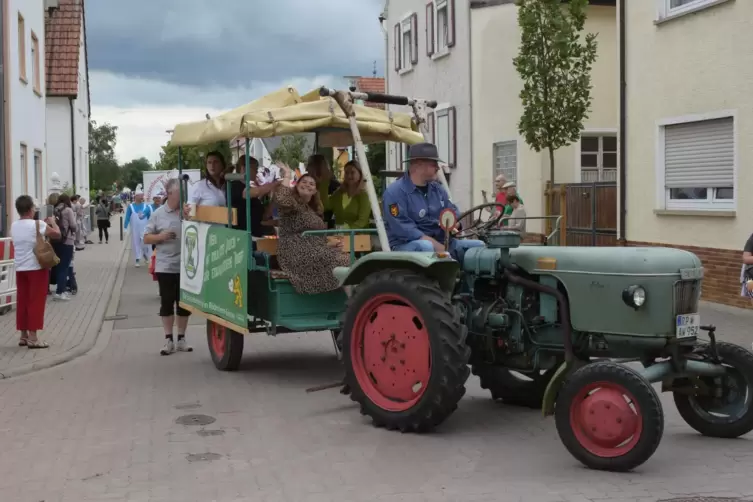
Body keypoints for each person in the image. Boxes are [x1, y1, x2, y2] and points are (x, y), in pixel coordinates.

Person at [382, 142, 484, 263]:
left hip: (443, 243)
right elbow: (406, 230)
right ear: (419, 165)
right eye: (433, 164)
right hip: (406, 246)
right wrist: (440, 248)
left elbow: (453, 211)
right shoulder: (395, 193)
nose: (437, 167)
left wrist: (455, 224)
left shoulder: (438, 189)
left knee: (479, 247)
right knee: (425, 246)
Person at [273, 164, 350, 294]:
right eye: (303, 182)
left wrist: (330, 244)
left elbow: (316, 236)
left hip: (314, 250)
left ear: (315, 191)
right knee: (343, 261)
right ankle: (354, 302)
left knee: (350, 259)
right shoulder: (292, 204)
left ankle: (354, 301)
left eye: (311, 184)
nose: (307, 185)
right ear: (296, 186)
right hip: (295, 251)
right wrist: (287, 175)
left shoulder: (310, 210)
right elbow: (281, 198)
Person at [143, 178, 192, 356]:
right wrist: (161, 237)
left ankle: (181, 338)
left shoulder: (186, 211)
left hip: (185, 265)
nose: (182, 197)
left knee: (184, 304)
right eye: (180, 193)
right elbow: (146, 237)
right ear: (170, 193)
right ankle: (168, 339)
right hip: (165, 265)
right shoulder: (158, 214)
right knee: (167, 302)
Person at [11, 195, 61, 348]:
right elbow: (57, 235)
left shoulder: (13, 225)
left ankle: (23, 335)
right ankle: (33, 337)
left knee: (23, 301)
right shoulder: (37, 224)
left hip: (20, 268)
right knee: (36, 302)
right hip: (36, 268)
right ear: (31, 209)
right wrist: (53, 222)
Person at [230, 155, 278, 235]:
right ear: (244, 168)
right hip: (244, 235)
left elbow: (265, 215)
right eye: (255, 168)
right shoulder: (235, 186)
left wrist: (275, 198)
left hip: (255, 232)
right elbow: (256, 192)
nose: (256, 172)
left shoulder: (247, 188)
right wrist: (276, 184)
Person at [329, 160, 371, 229]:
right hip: (339, 235)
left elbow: (362, 221)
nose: (349, 175)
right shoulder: (339, 192)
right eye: (346, 173)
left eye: (352, 172)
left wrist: (347, 231)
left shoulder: (363, 195)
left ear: (360, 174)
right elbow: (326, 205)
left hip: (358, 236)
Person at [51, 193, 77, 301]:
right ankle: (60, 292)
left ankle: (60, 289)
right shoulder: (68, 210)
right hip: (67, 241)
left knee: (58, 266)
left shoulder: (55, 209)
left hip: (56, 241)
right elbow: (74, 225)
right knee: (64, 267)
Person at [306, 154, 340, 228]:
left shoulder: (333, 185)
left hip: (327, 222)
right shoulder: (305, 183)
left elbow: (327, 207)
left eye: (309, 165)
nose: (306, 169)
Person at [123, 186, 152, 267]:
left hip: (144, 228)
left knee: (145, 243)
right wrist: (125, 227)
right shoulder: (131, 207)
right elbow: (127, 217)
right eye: (140, 195)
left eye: (142, 195)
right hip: (135, 229)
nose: (142, 197)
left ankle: (146, 256)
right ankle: (137, 259)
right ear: (135, 196)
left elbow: (150, 217)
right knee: (136, 243)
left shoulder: (146, 206)